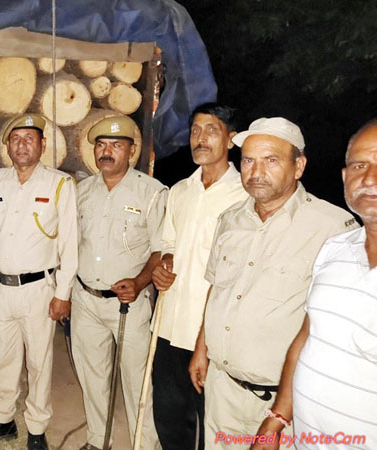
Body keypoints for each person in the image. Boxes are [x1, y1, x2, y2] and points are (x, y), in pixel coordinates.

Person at [188, 117, 358, 449]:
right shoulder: (230, 219)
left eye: (271, 160)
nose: (256, 171)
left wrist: (282, 414)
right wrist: (201, 349)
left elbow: (336, 329)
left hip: (285, 404)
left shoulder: (333, 229)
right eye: (248, 160)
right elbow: (218, 290)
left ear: (299, 166)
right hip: (223, 391)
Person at [251, 120, 377, 450]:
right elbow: (308, 334)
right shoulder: (336, 248)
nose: (369, 179)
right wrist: (278, 416)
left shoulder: (325, 222)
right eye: (359, 166)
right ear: (345, 177)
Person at [0, 113, 78, 450]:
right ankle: (3, 419)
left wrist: (63, 293)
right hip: (0, 289)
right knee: (3, 357)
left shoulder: (59, 184)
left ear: (42, 145)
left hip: (39, 290)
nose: (22, 145)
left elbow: (70, 244)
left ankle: (36, 427)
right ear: (7, 146)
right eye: (16, 139)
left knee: (39, 362)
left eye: (30, 139)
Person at [150, 103, 248, 449]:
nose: (200, 138)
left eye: (211, 130)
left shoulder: (244, 196)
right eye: (195, 130)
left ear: (231, 139)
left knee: (212, 422)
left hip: (213, 332)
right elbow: (168, 243)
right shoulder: (180, 190)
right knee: (169, 416)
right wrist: (164, 264)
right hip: (170, 325)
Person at [72, 116, 165, 450]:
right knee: (92, 376)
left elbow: (161, 249)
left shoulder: (151, 192)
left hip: (129, 303)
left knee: (138, 381)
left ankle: (145, 444)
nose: (107, 151)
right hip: (86, 299)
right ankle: (99, 440)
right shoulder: (82, 191)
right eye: (101, 145)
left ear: (132, 151)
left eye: (116, 145)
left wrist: (140, 282)